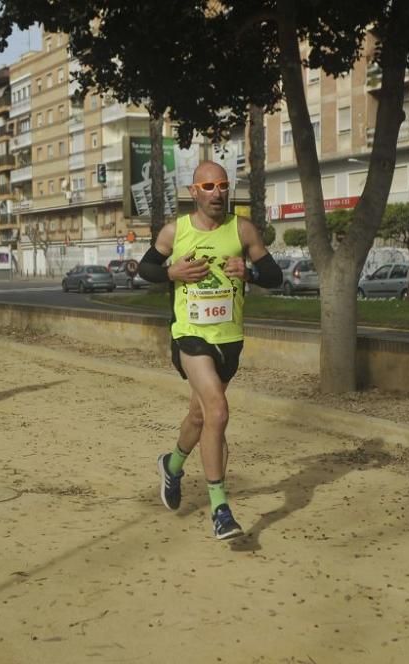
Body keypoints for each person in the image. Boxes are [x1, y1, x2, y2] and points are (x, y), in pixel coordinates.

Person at [137, 160, 283, 540]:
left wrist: (248, 272)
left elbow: (275, 275)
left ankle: (171, 465)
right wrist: (172, 273)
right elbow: (144, 269)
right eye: (208, 187)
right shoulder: (176, 231)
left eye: (222, 185)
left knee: (200, 418)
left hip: (229, 340)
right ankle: (221, 509)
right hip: (190, 336)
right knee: (217, 410)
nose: (217, 193)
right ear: (193, 193)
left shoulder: (243, 229)